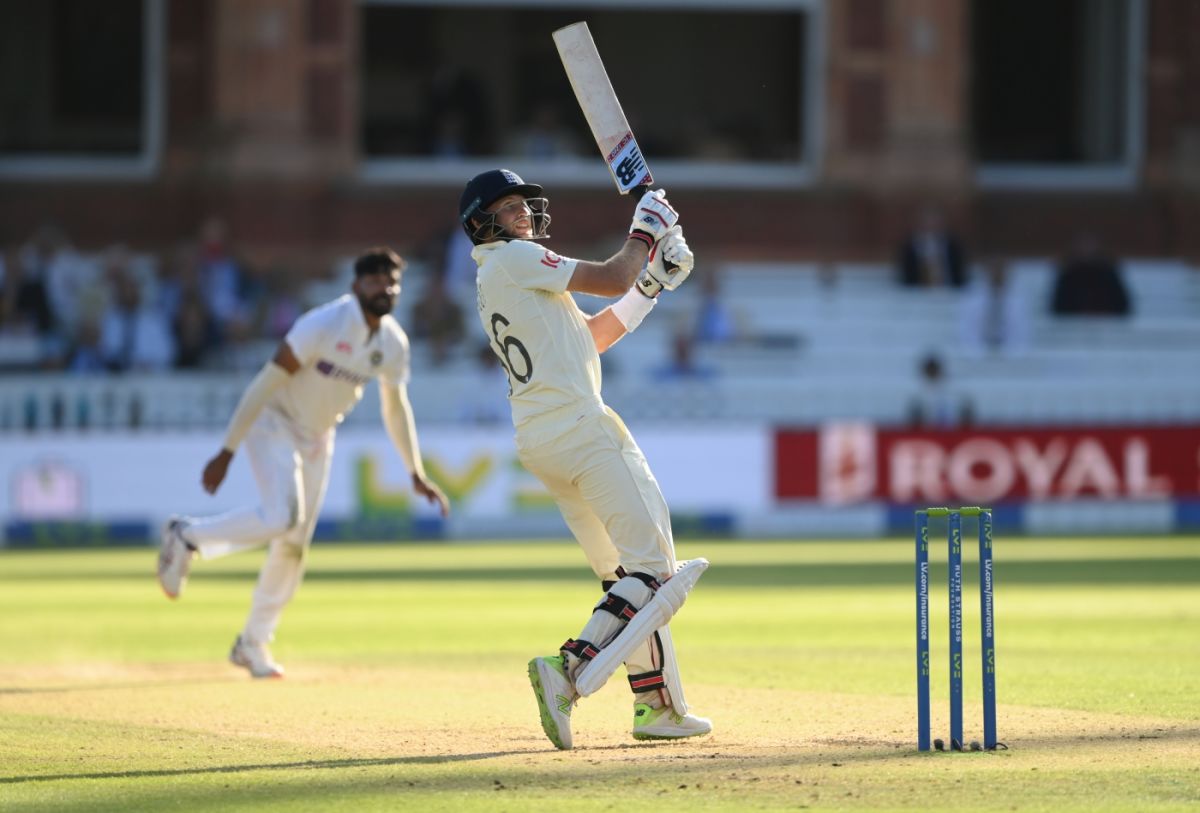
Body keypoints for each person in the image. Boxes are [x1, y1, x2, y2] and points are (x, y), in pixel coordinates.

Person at [458, 168, 711, 749]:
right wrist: (645, 230)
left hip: (543, 439)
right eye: (507, 205)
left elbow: (589, 338)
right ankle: (567, 672)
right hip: (581, 429)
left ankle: (658, 705)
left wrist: (650, 286)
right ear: (481, 223)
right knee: (655, 572)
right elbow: (611, 273)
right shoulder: (515, 259)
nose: (521, 211)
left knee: (623, 578)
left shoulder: (505, 275)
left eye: (524, 202)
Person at [156, 248, 449, 678]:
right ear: (355, 286)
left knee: (293, 545)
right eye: (374, 281)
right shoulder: (323, 324)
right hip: (274, 422)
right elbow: (265, 382)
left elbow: (395, 408)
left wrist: (415, 472)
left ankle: (252, 643)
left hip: (318, 436)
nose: (384, 289)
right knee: (282, 516)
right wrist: (227, 450)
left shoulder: (392, 343)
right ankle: (187, 536)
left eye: (391, 282)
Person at [1050, 233, 1131, 316]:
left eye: (1090, 246)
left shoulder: (1108, 273)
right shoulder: (1068, 274)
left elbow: (1122, 304)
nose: (1087, 250)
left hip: (1106, 320)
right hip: (1073, 320)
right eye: (1084, 246)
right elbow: (1058, 305)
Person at [897, 205, 967, 288]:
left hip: (950, 291)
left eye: (934, 219)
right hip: (917, 294)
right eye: (926, 220)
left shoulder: (954, 245)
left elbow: (960, 275)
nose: (930, 223)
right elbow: (905, 277)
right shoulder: (908, 247)